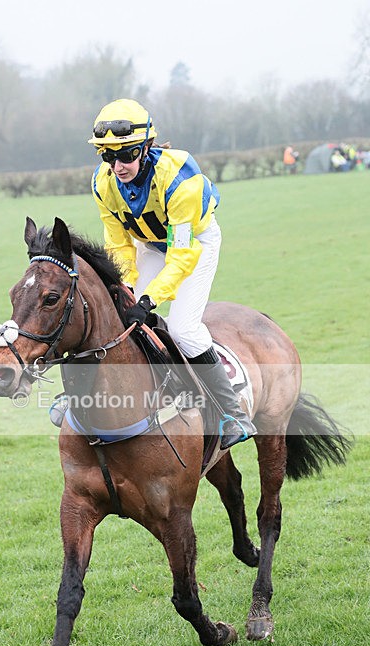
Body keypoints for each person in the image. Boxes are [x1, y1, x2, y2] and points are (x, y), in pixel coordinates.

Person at [88, 98, 256, 449]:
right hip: (150, 245)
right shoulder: (103, 184)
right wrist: (126, 286)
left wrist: (149, 299)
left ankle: (232, 414)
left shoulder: (180, 178)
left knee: (183, 329)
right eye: (108, 156)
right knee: (118, 315)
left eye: (127, 154)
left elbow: (180, 255)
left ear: (146, 147)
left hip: (195, 244)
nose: (117, 166)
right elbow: (119, 245)